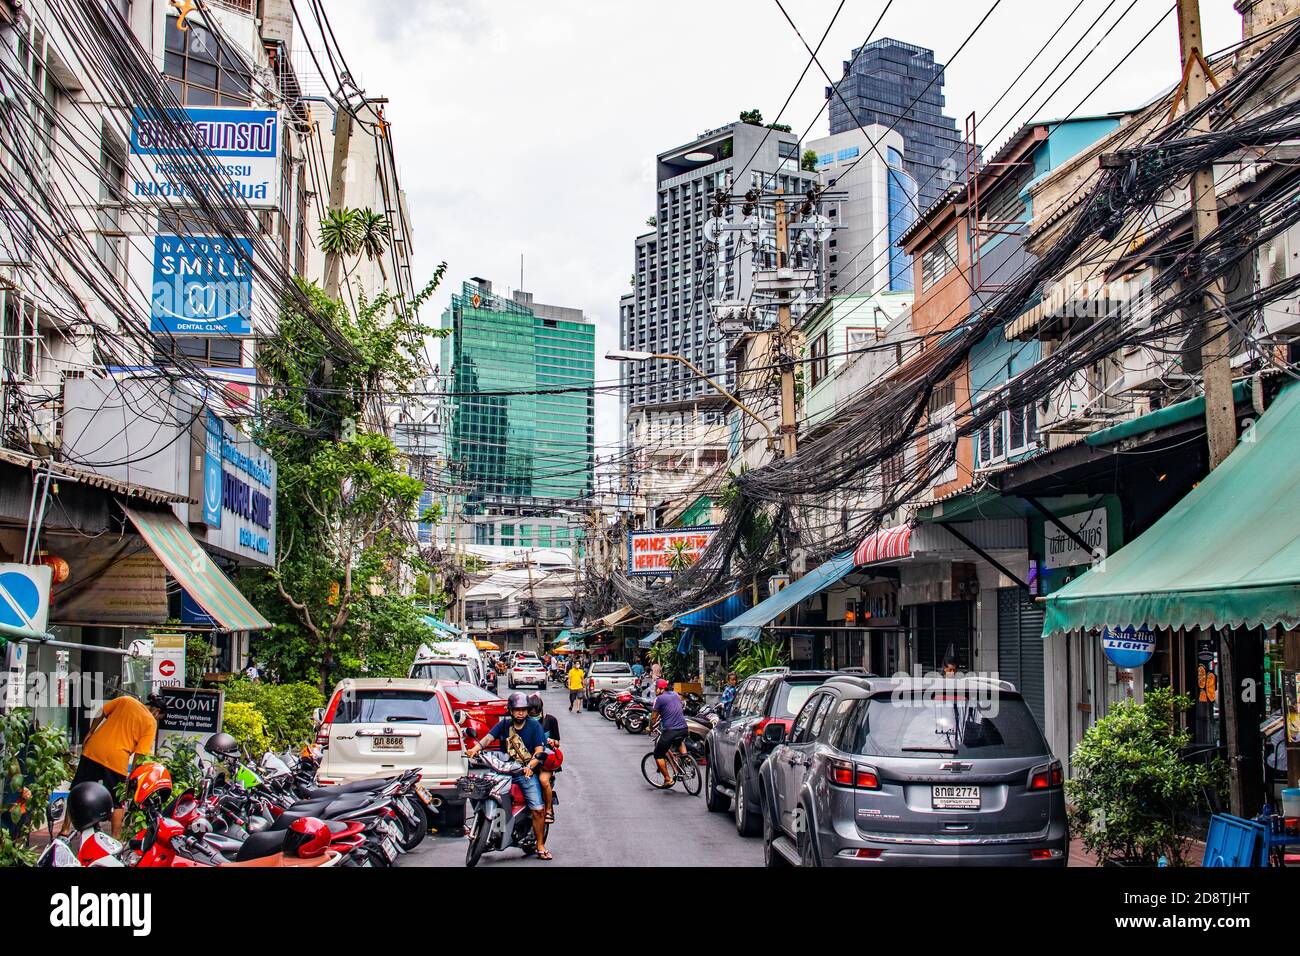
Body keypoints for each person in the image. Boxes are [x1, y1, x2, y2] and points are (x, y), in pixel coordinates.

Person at [466, 692, 552, 860]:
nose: (520, 713)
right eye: (517, 710)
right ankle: (488, 829)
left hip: (523, 772)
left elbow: (539, 751)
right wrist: (474, 750)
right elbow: (488, 739)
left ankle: (540, 845)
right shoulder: (504, 724)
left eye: (523, 710)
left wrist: (530, 766)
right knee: (479, 789)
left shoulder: (535, 727)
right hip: (502, 768)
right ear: (511, 711)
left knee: (537, 809)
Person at [66, 693, 164, 837]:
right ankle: (115, 838)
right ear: (157, 711)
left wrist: (91, 731)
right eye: (158, 717)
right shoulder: (150, 722)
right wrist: (133, 776)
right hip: (117, 760)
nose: (156, 719)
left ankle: (64, 829)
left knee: (78, 789)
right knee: (118, 801)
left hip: (94, 750)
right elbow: (140, 754)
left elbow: (101, 712)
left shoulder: (126, 700)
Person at [527, 693, 560, 823]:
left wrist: (552, 742)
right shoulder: (524, 721)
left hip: (545, 761)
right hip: (527, 759)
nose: (534, 715)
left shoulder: (550, 720)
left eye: (536, 712)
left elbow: (558, 742)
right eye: (531, 712)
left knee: (544, 780)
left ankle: (549, 809)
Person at [650, 679, 688, 787]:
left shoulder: (659, 699)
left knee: (658, 754)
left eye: (656, 688)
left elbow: (653, 716)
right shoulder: (676, 695)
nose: (655, 690)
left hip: (670, 731)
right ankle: (686, 761)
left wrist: (650, 727)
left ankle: (668, 779)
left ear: (661, 688)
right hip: (684, 728)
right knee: (679, 741)